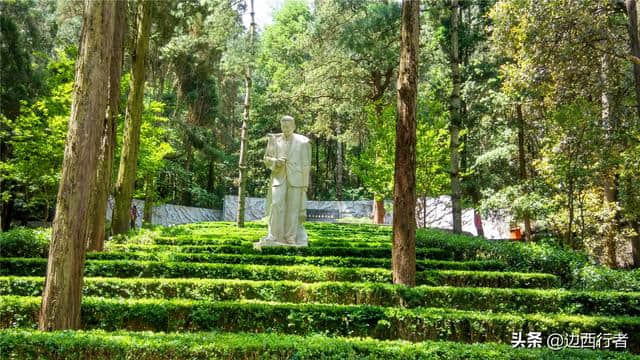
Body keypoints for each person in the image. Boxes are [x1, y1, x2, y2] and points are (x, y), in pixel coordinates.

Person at [256, 115, 311, 247]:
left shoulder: (303, 142)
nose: (285, 129)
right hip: (278, 177)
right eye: (283, 126)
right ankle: (272, 235)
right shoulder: (274, 139)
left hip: (296, 179)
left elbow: (306, 164)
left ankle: (291, 237)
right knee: (275, 205)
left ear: (294, 126)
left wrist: (305, 185)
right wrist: (275, 162)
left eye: (288, 126)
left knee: (293, 209)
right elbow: (267, 159)